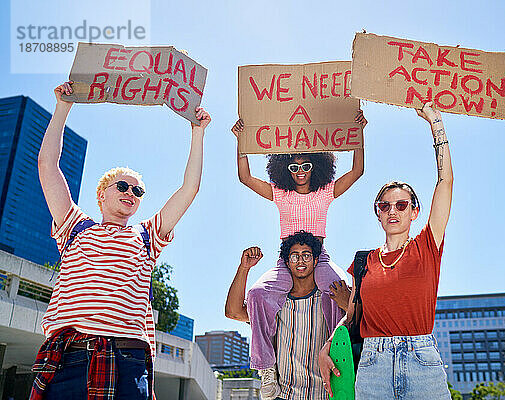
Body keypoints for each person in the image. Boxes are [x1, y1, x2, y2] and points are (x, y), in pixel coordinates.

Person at [30, 81, 211, 400]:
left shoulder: (148, 235)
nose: (131, 193)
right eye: (123, 187)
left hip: (126, 361)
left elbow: (189, 190)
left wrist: (197, 133)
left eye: (138, 191)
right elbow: (47, 166)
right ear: (101, 195)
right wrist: (63, 107)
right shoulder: (74, 226)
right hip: (66, 359)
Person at [318, 102, 454, 400]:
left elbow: (445, 183)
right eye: (385, 205)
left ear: (414, 212)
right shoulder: (363, 262)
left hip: (422, 362)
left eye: (402, 205)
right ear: (377, 214)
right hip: (373, 364)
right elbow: (352, 316)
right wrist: (327, 346)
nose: (393, 211)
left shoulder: (427, 247)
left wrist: (436, 123)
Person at [230, 112, 366, 397]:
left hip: (319, 257)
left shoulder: (325, 192)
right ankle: (267, 369)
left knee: (347, 293)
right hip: (287, 259)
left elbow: (357, 172)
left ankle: (338, 359)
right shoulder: (280, 193)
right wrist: (241, 140)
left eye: (306, 165)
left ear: (316, 166)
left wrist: (358, 134)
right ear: (285, 169)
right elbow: (244, 177)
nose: (300, 171)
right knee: (256, 293)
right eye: (294, 166)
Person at [225, 231, 348, 400]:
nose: (300, 260)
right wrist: (244, 268)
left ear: (316, 260)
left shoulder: (330, 300)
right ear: (287, 263)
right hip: (284, 395)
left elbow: (358, 322)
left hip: (327, 393)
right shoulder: (275, 302)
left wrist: (347, 302)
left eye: (306, 255)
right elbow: (233, 312)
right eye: (294, 256)